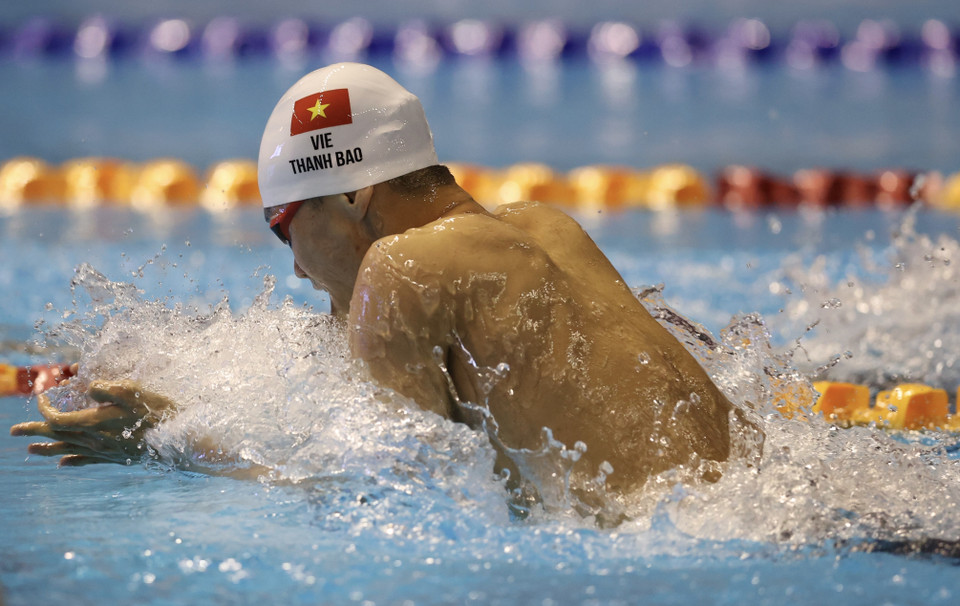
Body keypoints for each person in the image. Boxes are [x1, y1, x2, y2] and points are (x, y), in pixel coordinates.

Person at [11, 63, 747, 495]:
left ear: (354, 194)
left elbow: (396, 494)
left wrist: (165, 443)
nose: (295, 265)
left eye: (283, 226)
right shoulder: (547, 225)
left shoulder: (403, 266)